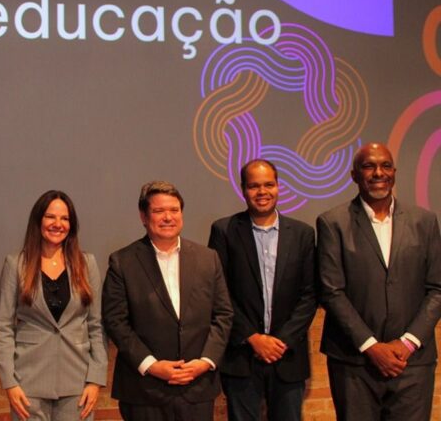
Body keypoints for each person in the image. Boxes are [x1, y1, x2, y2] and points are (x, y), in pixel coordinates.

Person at [317, 142, 441, 421]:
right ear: (354, 175)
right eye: (368, 166)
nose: (378, 173)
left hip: (411, 363)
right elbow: (331, 291)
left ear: (394, 172)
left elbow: (437, 288)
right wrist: (371, 346)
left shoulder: (424, 221)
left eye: (385, 166)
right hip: (354, 363)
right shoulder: (332, 223)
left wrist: (407, 343)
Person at [102, 180, 233, 421]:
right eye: (159, 211)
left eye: (174, 210)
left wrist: (205, 361)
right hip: (144, 390)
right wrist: (152, 365)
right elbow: (115, 321)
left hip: (197, 387)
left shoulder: (208, 258)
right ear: (143, 216)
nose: (168, 217)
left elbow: (223, 314)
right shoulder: (122, 261)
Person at [208, 159, 316, 421]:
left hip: (288, 356)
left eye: (269, 184)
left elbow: (310, 294)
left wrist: (281, 341)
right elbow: (219, 292)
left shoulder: (302, 233)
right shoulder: (224, 230)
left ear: (278, 187)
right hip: (241, 356)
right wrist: (252, 337)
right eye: (254, 186)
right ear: (243, 189)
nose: (262, 192)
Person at [0, 190, 107, 420]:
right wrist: (9, 383)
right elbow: (4, 328)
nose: (58, 224)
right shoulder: (16, 264)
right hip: (28, 382)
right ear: (38, 220)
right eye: (50, 217)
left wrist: (95, 380)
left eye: (65, 218)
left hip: (77, 383)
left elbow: (97, 325)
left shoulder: (87, 263)